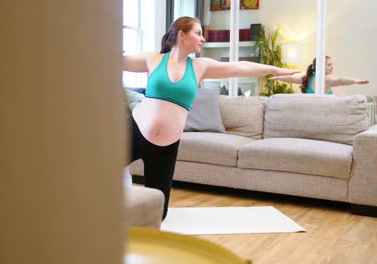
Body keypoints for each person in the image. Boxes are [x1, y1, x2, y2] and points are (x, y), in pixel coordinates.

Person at [122, 16, 299, 220]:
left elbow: (240, 67)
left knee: (157, 214)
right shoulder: (152, 59)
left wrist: (277, 70)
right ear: (181, 34)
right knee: (93, 171)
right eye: (198, 33)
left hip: (166, 149)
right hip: (134, 133)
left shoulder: (200, 67)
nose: (203, 38)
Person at [270, 56, 369, 94]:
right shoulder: (326, 79)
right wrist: (355, 80)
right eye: (329, 65)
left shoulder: (308, 78)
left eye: (332, 65)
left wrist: (277, 77)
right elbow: (340, 80)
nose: (332, 67)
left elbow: (291, 79)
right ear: (320, 66)